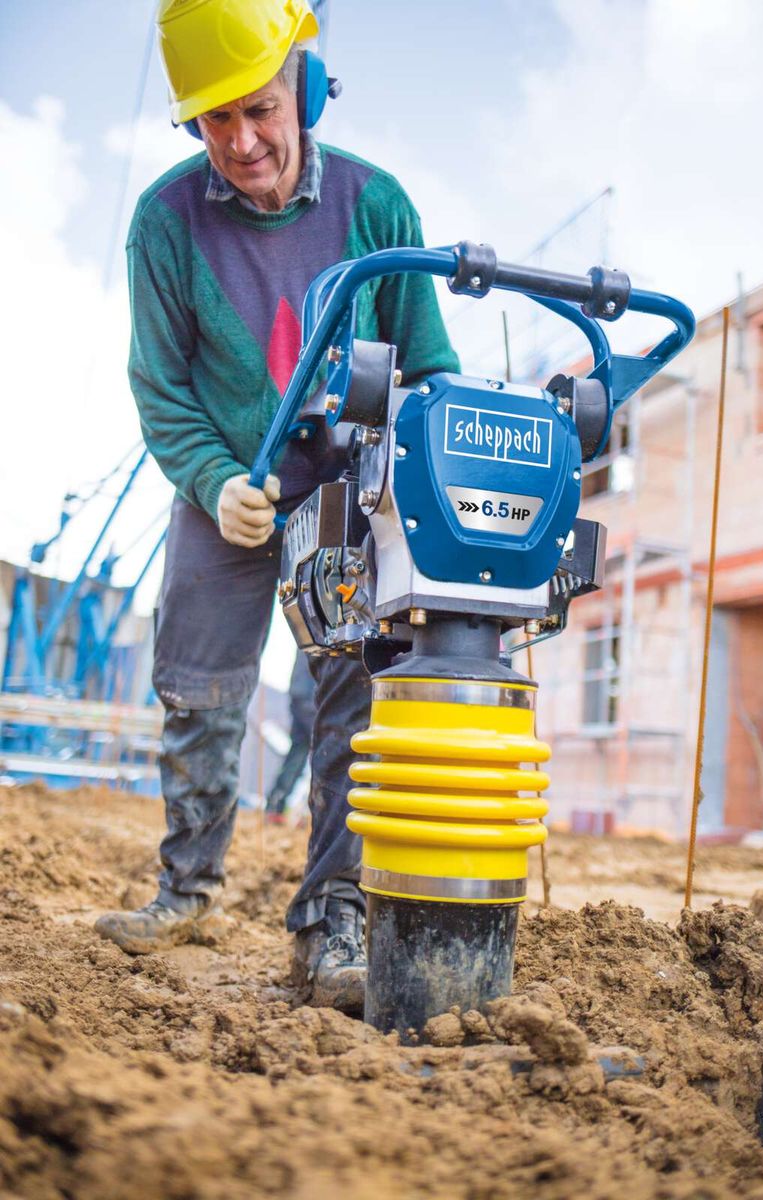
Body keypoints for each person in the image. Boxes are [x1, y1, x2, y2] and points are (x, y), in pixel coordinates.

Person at [94, 0, 459, 1012]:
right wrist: (214, 482)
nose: (242, 142)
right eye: (214, 121)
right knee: (199, 690)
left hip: (344, 490)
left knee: (350, 699)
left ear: (299, 87)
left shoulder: (376, 206)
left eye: (258, 110)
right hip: (224, 487)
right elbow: (160, 389)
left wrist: (401, 486)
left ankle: (333, 920)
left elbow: (427, 365)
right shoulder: (165, 224)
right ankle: (186, 891)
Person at [265, 652, 314, 823]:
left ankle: (275, 805)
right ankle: (309, 811)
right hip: (311, 698)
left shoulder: (307, 630)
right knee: (323, 754)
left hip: (299, 695)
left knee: (297, 754)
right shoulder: (325, 629)